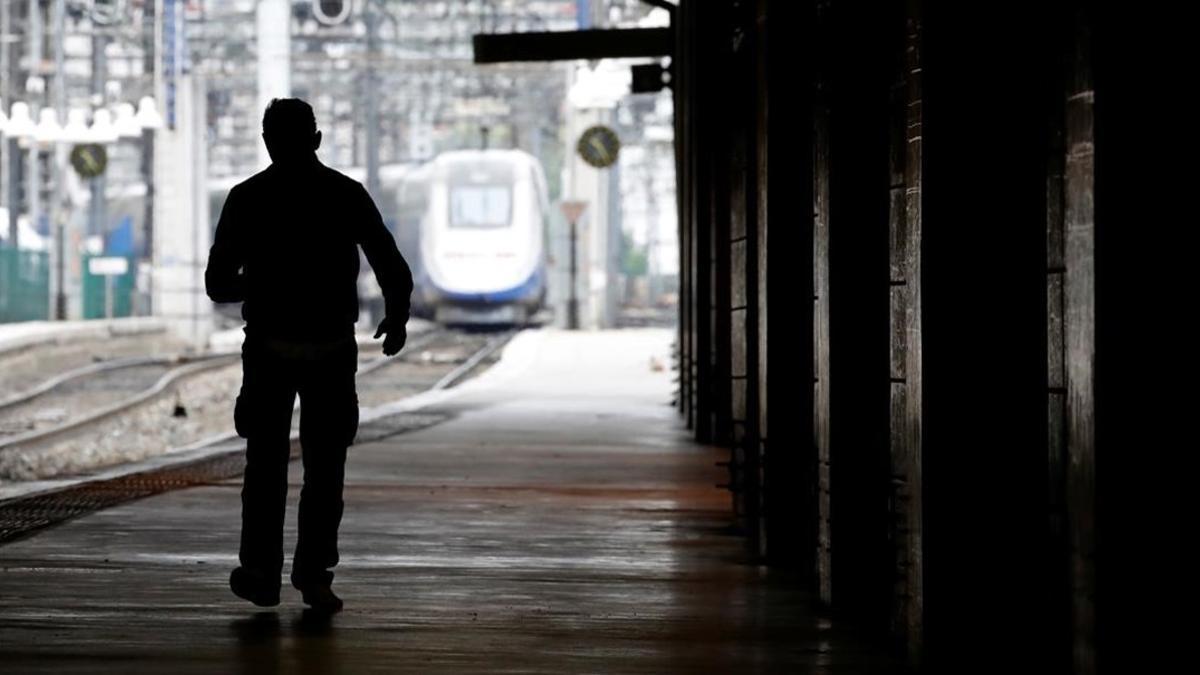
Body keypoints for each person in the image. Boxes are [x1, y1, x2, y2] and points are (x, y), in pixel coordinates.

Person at [205, 98, 412, 614]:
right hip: (331, 351)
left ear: (267, 142)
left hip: (269, 352)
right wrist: (397, 315)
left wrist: (264, 283)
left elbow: (216, 285)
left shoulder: (246, 198)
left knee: (264, 467)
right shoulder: (345, 194)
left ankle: (260, 574)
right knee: (326, 467)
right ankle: (314, 575)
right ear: (316, 140)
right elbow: (389, 260)